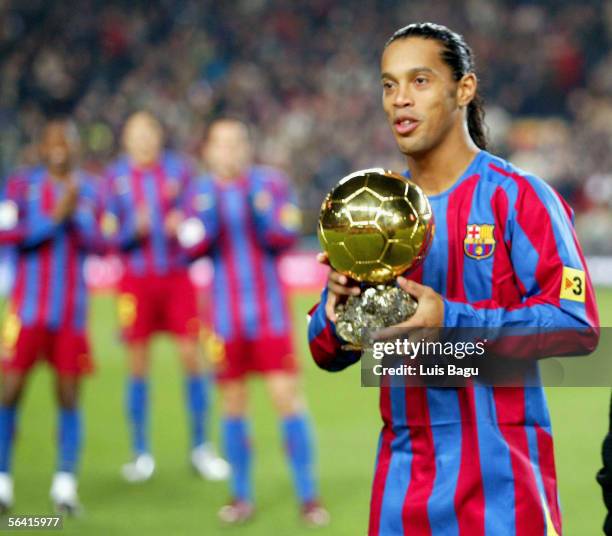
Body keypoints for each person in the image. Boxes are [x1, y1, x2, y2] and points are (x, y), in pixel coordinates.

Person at [308, 23, 599, 535]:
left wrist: (453, 320)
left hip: (505, 492)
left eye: (419, 81)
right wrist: (338, 308)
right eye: (388, 84)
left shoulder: (519, 197)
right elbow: (328, 351)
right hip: (403, 488)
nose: (400, 99)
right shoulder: (372, 211)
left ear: (464, 88)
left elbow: (577, 324)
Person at [178, 118, 329, 526]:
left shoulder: (271, 185)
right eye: (221, 144)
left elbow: (284, 235)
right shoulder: (199, 193)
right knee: (233, 406)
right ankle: (241, 497)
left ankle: (308, 497)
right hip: (224, 321)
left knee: (287, 400)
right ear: (208, 150)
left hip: (270, 317)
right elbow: (189, 250)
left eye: (236, 142)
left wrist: (258, 212)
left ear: (247, 147)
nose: (229, 151)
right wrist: (197, 231)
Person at [104, 111, 228, 483]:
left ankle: (201, 447)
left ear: (158, 136)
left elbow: (198, 219)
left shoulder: (180, 172)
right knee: (137, 364)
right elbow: (106, 235)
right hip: (135, 283)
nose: (142, 139)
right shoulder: (115, 178)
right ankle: (141, 453)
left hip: (177, 280)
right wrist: (131, 229)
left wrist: (184, 228)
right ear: (126, 139)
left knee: (193, 358)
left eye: (148, 132)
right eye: (135, 133)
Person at [0, 119, 104, 514]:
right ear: (41, 147)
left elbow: (101, 241)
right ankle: (2, 482)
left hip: (70, 314)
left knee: (68, 396)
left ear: (76, 148)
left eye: (67, 141)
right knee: (9, 392)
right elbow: (8, 236)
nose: (59, 147)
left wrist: (76, 214)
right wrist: (54, 216)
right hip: (25, 311)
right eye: (52, 141)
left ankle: (64, 486)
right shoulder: (19, 186)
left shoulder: (89, 190)